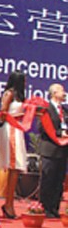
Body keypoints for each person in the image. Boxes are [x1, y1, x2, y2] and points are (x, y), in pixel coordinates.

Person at [0, 70, 28, 219]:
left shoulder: (19, 95)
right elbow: (3, 112)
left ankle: (9, 203)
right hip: (10, 129)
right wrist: (16, 117)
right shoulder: (9, 94)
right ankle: (8, 204)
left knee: (15, 169)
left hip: (17, 128)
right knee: (13, 166)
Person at [38, 83, 67, 218]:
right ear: (54, 93)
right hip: (50, 149)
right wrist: (59, 133)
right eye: (62, 91)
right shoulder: (46, 109)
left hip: (63, 150)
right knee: (48, 179)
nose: (65, 93)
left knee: (58, 180)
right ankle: (45, 207)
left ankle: (54, 208)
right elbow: (42, 128)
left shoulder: (65, 111)